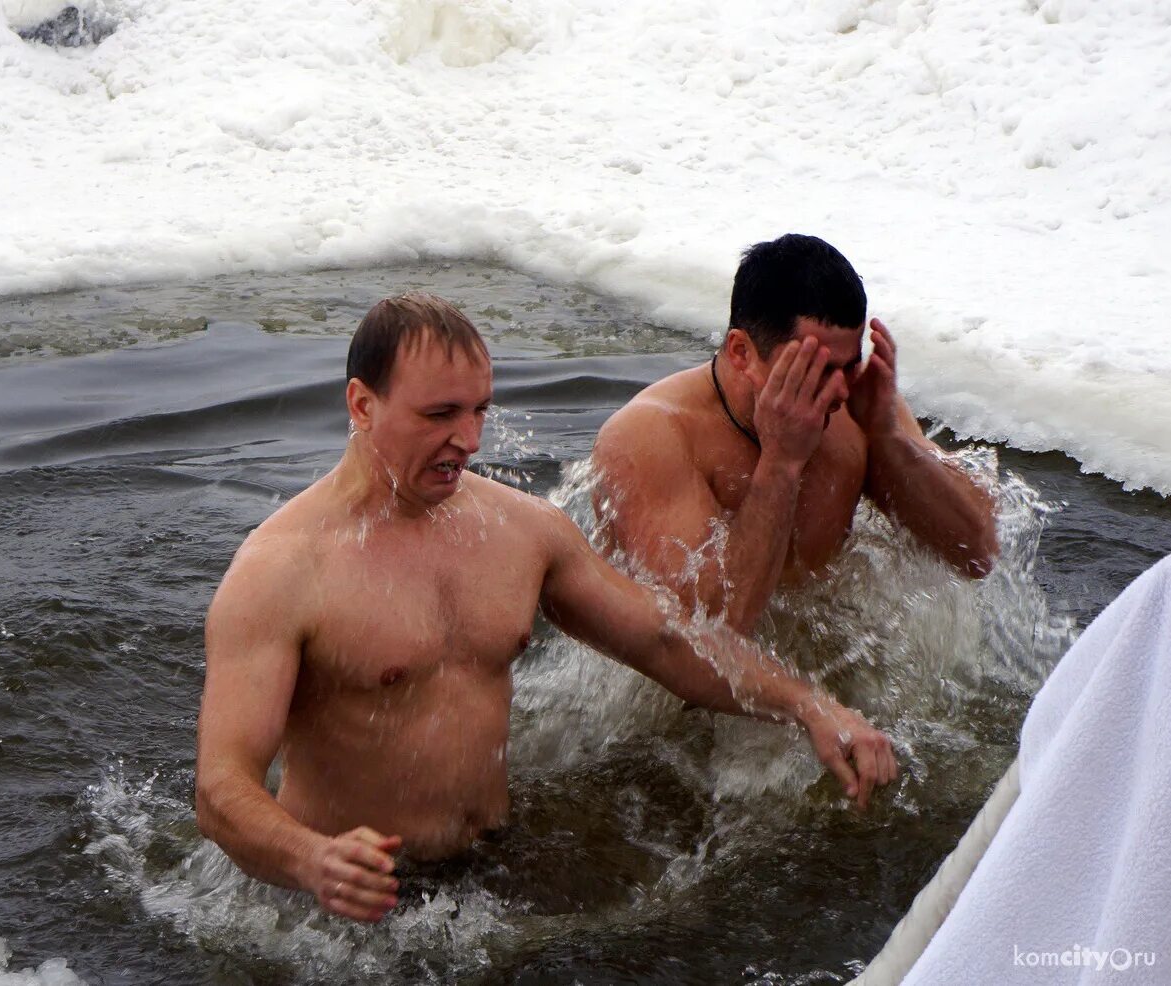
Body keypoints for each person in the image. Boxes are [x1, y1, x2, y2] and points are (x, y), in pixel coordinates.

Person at [195, 292, 896, 925]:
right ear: (361, 404)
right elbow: (222, 786)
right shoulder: (281, 571)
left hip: (495, 868)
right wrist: (313, 860)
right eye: (439, 414)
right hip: (347, 906)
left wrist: (810, 705)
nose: (468, 440)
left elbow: (664, 639)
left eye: (479, 411)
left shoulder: (519, 531)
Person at [592, 234, 998, 637]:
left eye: (848, 365)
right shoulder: (649, 435)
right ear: (741, 352)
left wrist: (888, 437)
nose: (839, 390)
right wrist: (781, 462)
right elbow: (706, 638)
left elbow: (977, 555)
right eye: (814, 368)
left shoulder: (856, 405)